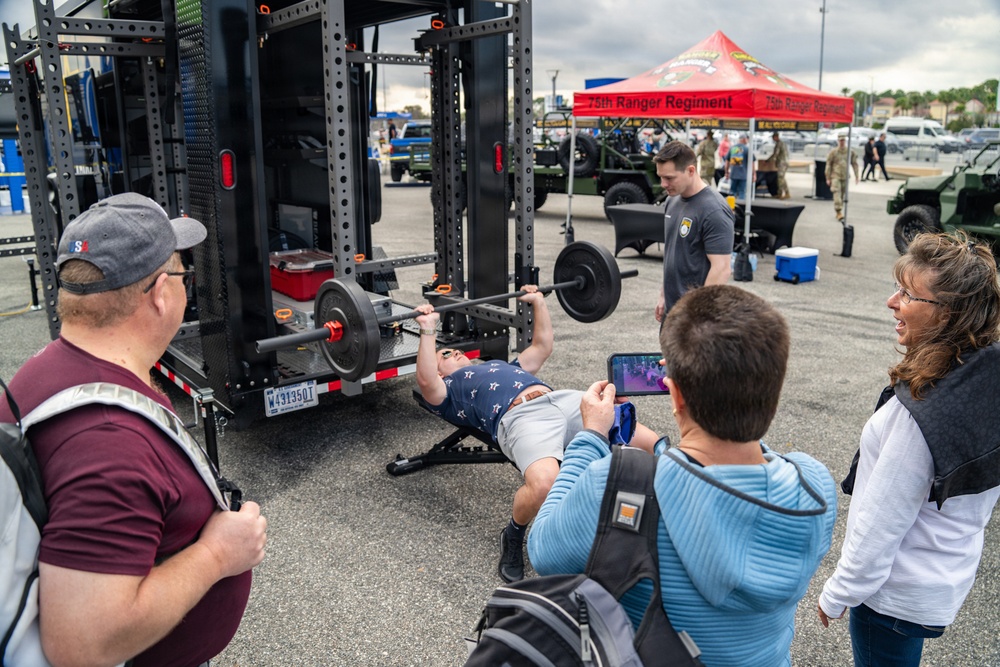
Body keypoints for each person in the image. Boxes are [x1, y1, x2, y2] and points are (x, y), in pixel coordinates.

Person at [0, 193, 268, 667]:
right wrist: (217, 556)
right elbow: (82, 644)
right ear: (162, 292)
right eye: (184, 274)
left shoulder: (52, 367)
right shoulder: (108, 443)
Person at [528, 285, 837, 667]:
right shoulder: (815, 485)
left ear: (674, 396)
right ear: (772, 390)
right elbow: (734, 473)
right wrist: (664, 449)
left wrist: (591, 435)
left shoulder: (614, 484)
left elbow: (542, 549)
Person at [818, 232, 1000, 667]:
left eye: (907, 294)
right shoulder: (985, 376)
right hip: (941, 577)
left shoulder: (920, 413)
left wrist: (839, 591)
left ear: (947, 314)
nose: (891, 301)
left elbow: (883, 521)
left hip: (892, 596)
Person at [412, 289, 660, 584]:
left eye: (455, 349)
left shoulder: (501, 366)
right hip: (521, 418)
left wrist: (539, 303)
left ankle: (672, 482)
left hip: (562, 399)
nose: (455, 352)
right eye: (446, 355)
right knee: (545, 484)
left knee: (642, 437)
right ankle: (514, 533)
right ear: (440, 371)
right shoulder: (449, 390)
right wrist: (428, 329)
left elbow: (542, 346)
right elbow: (426, 380)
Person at [653, 140, 734, 322]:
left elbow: (722, 269)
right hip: (672, 311)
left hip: (694, 318)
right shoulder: (672, 201)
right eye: (661, 177)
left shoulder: (714, 210)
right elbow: (672, 253)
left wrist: (699, 315)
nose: (663, 184)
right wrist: (663, 295)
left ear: (691, 171)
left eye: (669, 178)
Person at [825, 136, 860, 221]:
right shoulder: (833, 152)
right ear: (838, 141)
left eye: (843, 140)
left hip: (845, 176)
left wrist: (857, 176)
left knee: (842, 195)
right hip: (835, 176)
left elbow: (854, 164)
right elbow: (828, 164)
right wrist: (828, 177)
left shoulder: (850, 152)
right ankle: (838, 211)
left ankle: (839, 210)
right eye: (840, 140)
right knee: (836, 193)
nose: (842, 142)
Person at [724, 133, 750, 201]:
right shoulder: (746, 149)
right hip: (743, 175)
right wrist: (753, 174)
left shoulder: (732, 148)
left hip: (733, 174)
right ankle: (741, 207)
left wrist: (726, 172)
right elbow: (752, 163)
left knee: (732, 193)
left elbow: (727, 162)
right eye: (747, 139)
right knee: (742, 192)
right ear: (744, 139)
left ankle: (731, 209)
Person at [772, 131, 791, 199]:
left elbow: (775, 154)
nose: (772, 139)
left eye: (773, 137)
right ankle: (784, 193)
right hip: (784, 162)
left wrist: (769, 160)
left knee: (780, 178)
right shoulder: (781, 143)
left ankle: (782, 193)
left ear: (776, 137)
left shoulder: (779, 144)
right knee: (781, 178)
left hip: (782, 163)